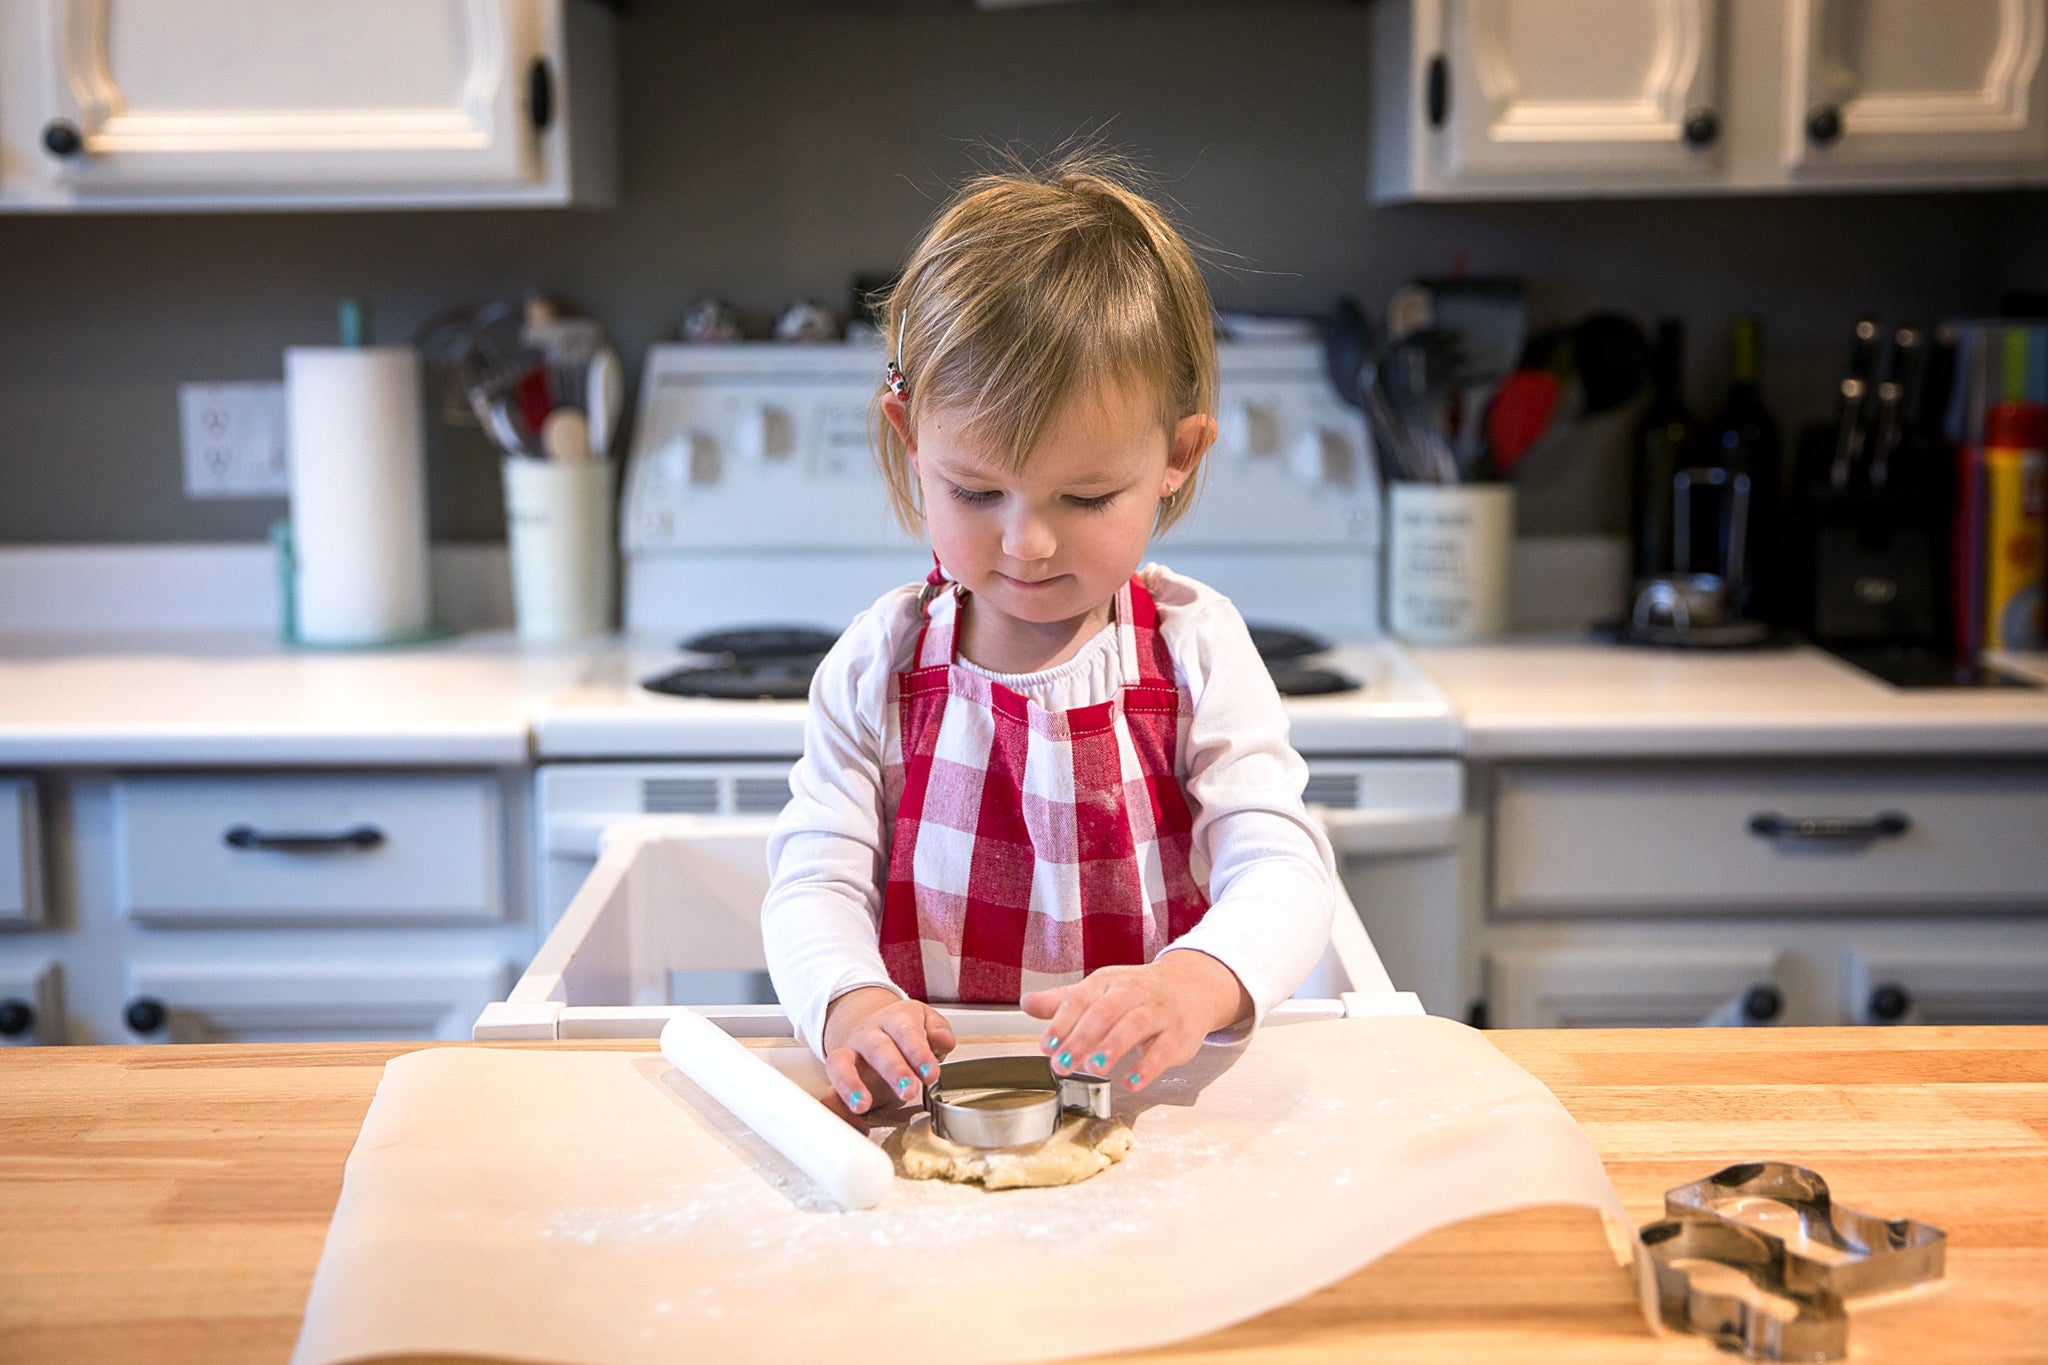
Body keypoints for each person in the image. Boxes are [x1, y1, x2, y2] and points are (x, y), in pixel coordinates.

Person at [761, 155, 1337, 1116]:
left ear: (1176, 458)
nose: (1026, 541)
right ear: (912, 438)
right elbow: (812, 877)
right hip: (933, 1110)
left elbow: (1281, 866)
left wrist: (1192, 984)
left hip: (1151, 1108)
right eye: (977, 490)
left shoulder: (1195, 652)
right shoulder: (880, 663)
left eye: (1086, 495)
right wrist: (847, 998)